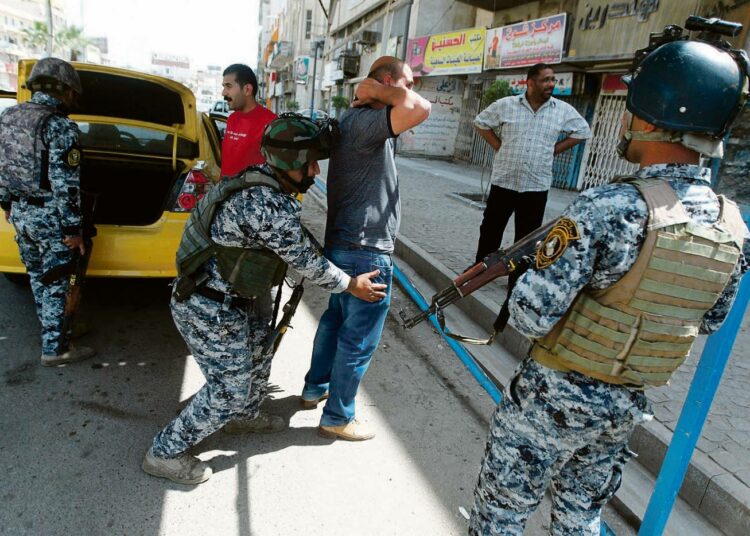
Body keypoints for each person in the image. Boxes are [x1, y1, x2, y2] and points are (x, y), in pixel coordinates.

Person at [469, 25, 750, 535]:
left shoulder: (610, 206)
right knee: (580, 521)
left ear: (649, 117)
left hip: (553, 399)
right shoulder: (731, 223)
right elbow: (711, 317)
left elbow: (531, 314)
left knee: (501, 518)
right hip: (625, 406)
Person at [142, 115, 387, 485]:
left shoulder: (267, 182)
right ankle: (164, 452)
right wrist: (352, 284)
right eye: (310, 162)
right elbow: (307, 262)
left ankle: (244, 416)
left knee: (260, 353)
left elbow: (298, 243)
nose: (316, 170)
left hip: (229, 302)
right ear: (292, 163)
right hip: (206, 307)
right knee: (230, 388)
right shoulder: (265, 205)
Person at [300, 56, 431, 441]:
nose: (411, 90)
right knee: (357, 338)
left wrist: (378, 92)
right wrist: (373, 90)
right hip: (366, 248)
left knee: (334, 321)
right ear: (388, 81)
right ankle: (338, 416)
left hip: (343, 244)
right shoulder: (367, 122)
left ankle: (314, 388)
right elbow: (419, 108)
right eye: (406, 82)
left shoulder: (351, 122)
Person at [472, 63, 591, 328]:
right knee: (491, 228)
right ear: (530, 82)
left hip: (536, 185)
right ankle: (480, 272)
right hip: (504, 180)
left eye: (553, 80)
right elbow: (480, 123)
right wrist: (498, 146)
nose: (551, 84)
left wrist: (554, 150)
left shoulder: (561, 111)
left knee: (527, 239)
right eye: (546, 80)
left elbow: (583, 132)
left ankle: (517, 282)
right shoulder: (506, 105)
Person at [0, 57, 95, 366]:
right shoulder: (60, 127)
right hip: (50, 217)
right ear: (65, 90)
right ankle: (55, 349)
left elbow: (3, 167)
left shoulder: (8, 117)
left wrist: (5, 203)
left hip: (20, 212)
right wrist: (72, 231)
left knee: (38, 276)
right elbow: (65, 185)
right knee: (56, 279)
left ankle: (55, 331)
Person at [220, 63, 277, 177]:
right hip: (226, 191)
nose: (223, 93)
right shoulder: (232, 119)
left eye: (228, 86)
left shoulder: (271, 122)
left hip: (252, 193)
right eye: (223, 87)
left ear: (247, 89)